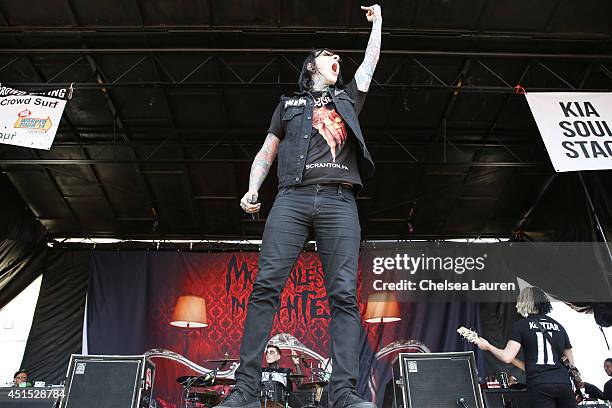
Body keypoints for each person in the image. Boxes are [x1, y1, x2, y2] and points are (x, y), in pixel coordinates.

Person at [214, 5, 382, 408]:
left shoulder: (348, 98)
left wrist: (378, 24)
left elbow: (370, 63)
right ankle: (245, 390)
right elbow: (267, 150)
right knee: (265, 287)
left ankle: (342, 393)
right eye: (329, 56)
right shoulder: (288, 104)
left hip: (339, 199)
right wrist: (253, 188)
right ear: (310, 67)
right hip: (292, 197)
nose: (337, 60)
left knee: (342, 293)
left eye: (339, 57)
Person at [476, 287, 577, 408]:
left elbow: (506, 357)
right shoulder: (559, 326)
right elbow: (570, 362)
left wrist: (488, 346)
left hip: (539, 384)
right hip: (563, 383)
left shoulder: (521, 325)